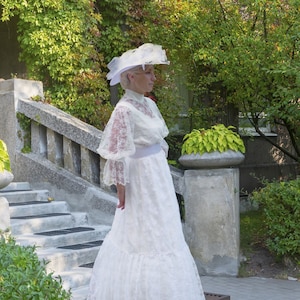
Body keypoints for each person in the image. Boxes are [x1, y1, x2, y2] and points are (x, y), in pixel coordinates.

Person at [88, 43, 205, 300]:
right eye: (149, 72)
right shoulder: (123, 110)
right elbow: (117, 153)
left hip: (157, 178)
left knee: (164, 233)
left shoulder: (149, 105)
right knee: (141, 236)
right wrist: (122, 190)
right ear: (131, 76)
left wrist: (160, 172)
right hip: (139, 180)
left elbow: (159, 142)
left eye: (153, 72)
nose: (154, 78)